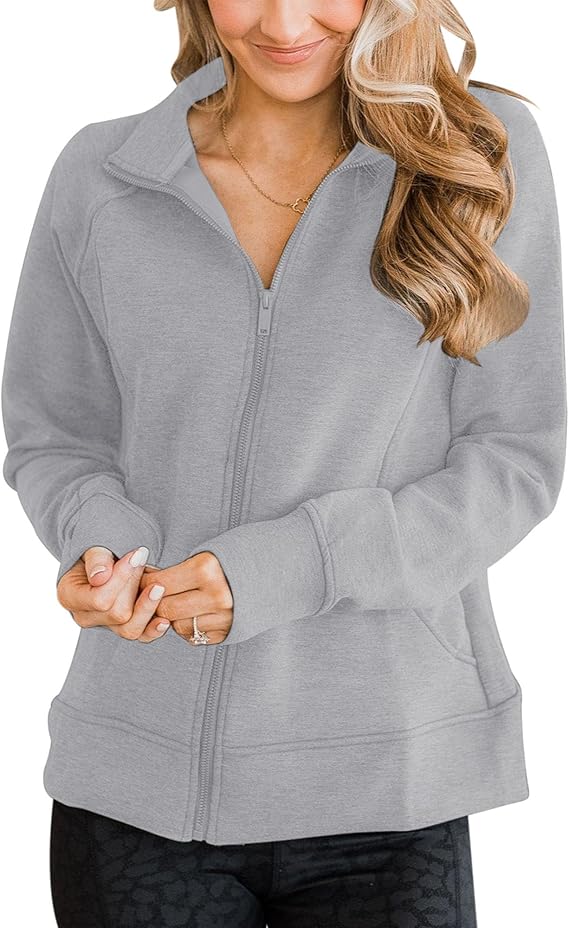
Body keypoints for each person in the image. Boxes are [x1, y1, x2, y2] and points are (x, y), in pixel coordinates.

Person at [2, 0, 565, 925]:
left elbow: (514, 458)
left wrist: (291, 565)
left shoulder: (476, 157)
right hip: (138, 783)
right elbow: (57, 432)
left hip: (389, 783)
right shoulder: (102, 175)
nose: (283, 19)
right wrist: (102, 548)